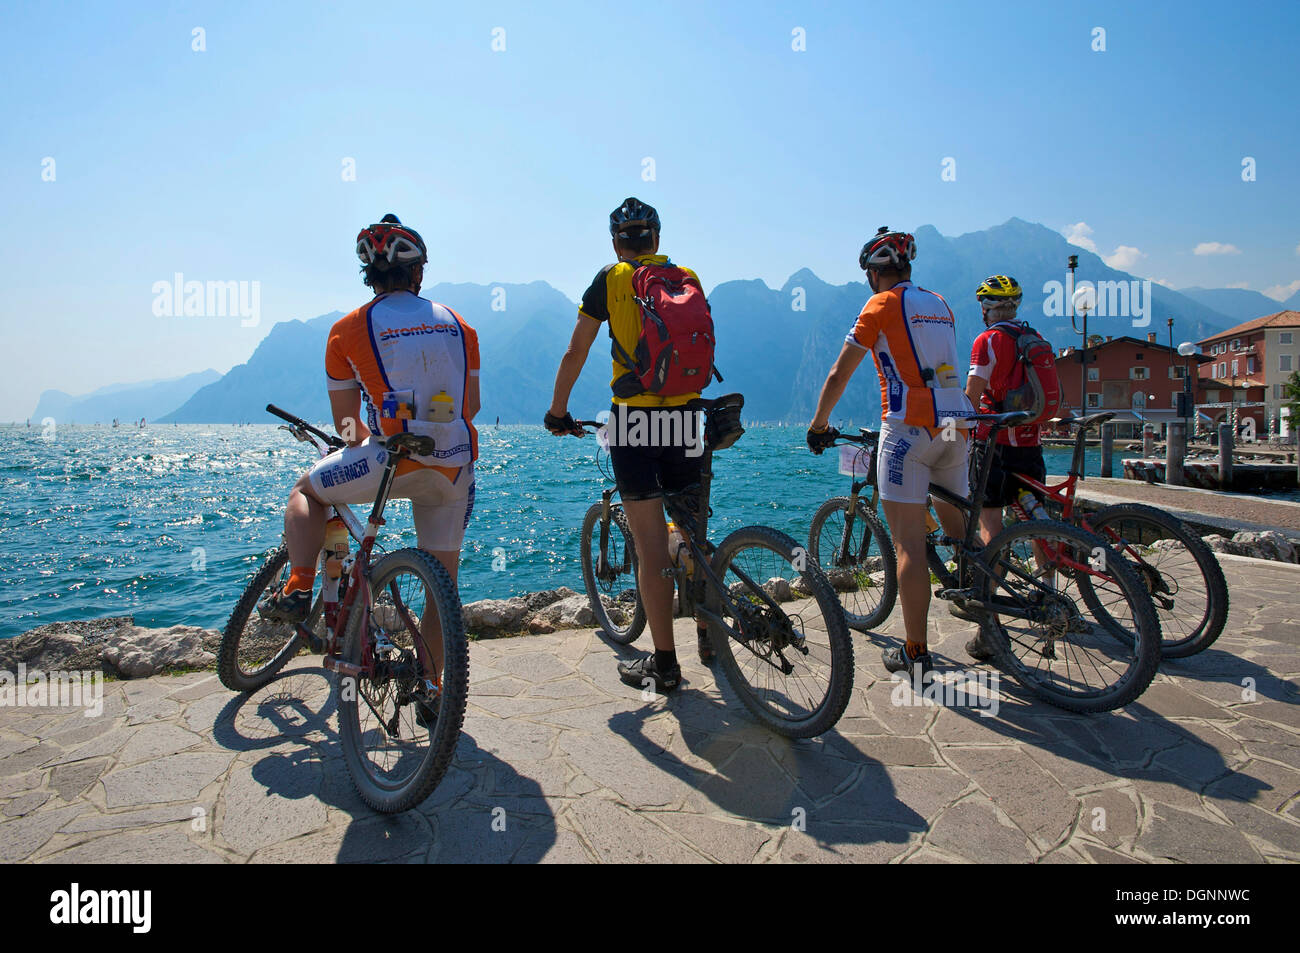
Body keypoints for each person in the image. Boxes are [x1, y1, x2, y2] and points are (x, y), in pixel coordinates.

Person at [258, 214, 480, 707]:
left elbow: (346, 429)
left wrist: (364, 444)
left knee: (305, 491)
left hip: (392, 461)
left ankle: (298, 584)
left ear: (368, 277)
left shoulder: (347, 330)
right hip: (454, 465)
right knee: (442, 582)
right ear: (418, 273)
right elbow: (473, 406)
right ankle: (429, 689)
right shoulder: (461, 326)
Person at [544, 197, 710, 694]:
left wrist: (557, 412)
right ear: (656, 238)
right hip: (691, 417)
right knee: (694, 534)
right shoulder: (688, 276)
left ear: (616, 243)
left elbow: (577, 350)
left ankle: (664, 664)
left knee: (651, 549)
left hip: (636, 422)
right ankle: (709, 633)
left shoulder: (611, 280)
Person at [807, 227, 973, 682]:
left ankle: (916, 653)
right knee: (962, 538)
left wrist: (819, 424)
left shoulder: (880, 305)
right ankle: (987, 622)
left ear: (874, 273)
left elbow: (841, 372)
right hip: (958, 424)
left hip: (908, 428)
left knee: (908, 547)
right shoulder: (940, 303)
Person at [961, 274, 1048, 659]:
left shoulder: (988, 341)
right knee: (1036, 524)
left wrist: (950, 427)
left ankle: (989, 620)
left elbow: (971, 395)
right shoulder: (1034, 338)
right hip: (1031, 445)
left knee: (990, 529)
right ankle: (1046, 596)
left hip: (994, 446)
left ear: (987, 307)